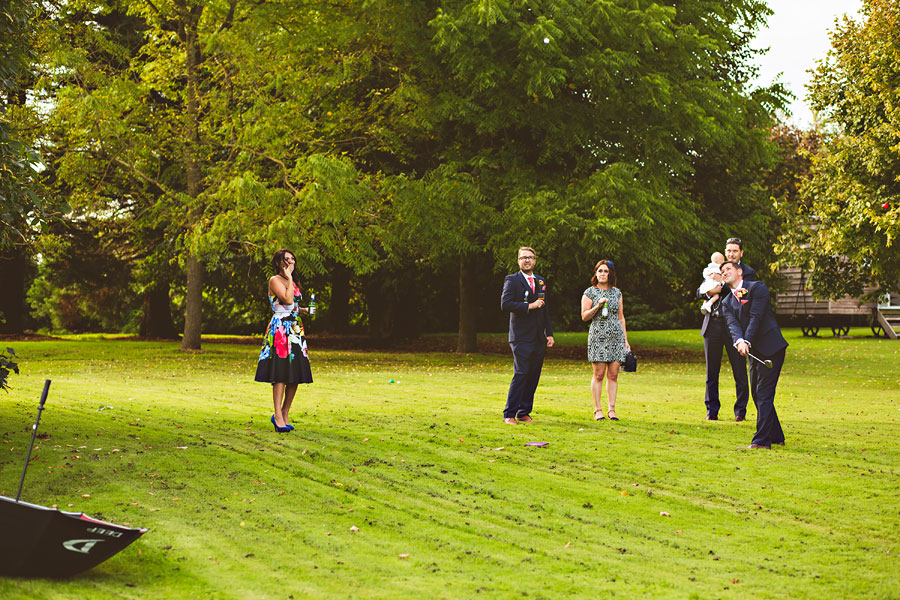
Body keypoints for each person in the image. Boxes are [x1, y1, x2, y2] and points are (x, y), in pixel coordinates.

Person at [719, 261, 788, 449]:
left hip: (771, 348)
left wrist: (746, 340)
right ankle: (776, 436)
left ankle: (761, 441)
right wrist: (739, 341)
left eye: (728, 269)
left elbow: (756, 317)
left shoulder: (757, 288)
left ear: (740, 272)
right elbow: (733, 325)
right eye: (722, 271)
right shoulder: (726, 302)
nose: (724, 273)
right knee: (757, 394)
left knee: (764, 393)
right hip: (754, 352)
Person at [697, 237, 757, 422]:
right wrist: (710, 291)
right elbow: (699, 292)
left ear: (741, 253)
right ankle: (711, 410)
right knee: (711, 371)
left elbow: (741, 293)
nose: (731, 254)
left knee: (739, 370)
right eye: (728, 250)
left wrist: (719, 288)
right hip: (712, 323)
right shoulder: (717, 269)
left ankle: (740, 411)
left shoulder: (747, 273)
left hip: (735, 328)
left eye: (735, 251)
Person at [254, 249, 313, 432]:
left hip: (295, 329)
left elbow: (293, 306)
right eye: (286, 259)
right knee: (280, 373)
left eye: (292, 259)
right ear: (279, 262)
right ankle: (277, 415)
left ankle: (285, 412)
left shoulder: (292, 281)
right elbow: (286, 300)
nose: (290, 262)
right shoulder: (275, 280)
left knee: (295, 373)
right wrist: (288, 277)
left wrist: (303, 310)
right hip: (280, 330)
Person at [500, 247, 554, 425]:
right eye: (523, 258)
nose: (527, 260)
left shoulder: (540, 281)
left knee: (533, 375)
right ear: (518, 261)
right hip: (520, 336)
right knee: (521, 373)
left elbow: (545, 308)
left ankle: (524, 412)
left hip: (539, 337)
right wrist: (529, 306)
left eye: (530, 258)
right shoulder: (512, 280)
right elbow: (505, 304)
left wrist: (549, 333)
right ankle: (509, 414)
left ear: (535, 260)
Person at [581, 260, 630, 421]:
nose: (602, 274)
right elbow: (584, 316)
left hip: (616, 337)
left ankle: (612, 409)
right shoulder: (590, 292)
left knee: (614, 374)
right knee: (599, 374)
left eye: (606, 271)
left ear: (610, 274)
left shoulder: (617, 293)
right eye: (600, 271)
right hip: (598, 336)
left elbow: (621, 318)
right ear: (596, 273)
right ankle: (597, 410)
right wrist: (598, 306)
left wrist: (625, 340)